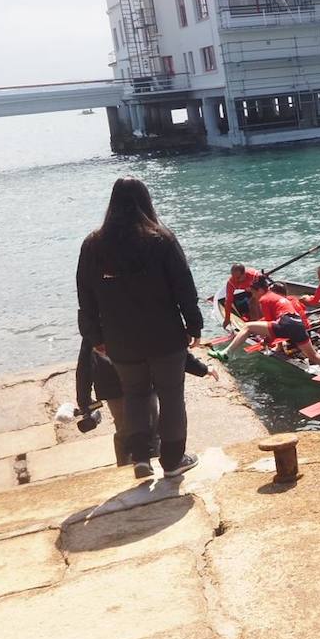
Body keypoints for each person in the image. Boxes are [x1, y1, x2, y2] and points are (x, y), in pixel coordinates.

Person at [76, 177, 203, 479]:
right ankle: (173, 461)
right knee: (171, 396)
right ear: (146, 202)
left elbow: (85, 294)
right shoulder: (161, 239)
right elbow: (184, 286)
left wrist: (94, 336)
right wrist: (193, 324)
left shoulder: (93, 245)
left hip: (120, 339)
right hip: (165, 335)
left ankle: (141, 458)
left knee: (134, 395)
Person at [76, 337, 217, 467]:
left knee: (124, 430)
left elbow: (84, 362)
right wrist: (200, 368)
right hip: (141, 375)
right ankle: (151, 466)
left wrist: (84, 400)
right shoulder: (142, 311)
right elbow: (168, 341)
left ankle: (129, 468)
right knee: (151, 428)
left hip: (110, 382)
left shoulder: (97, 315)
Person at [215, 276, 320, 366]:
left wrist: (266, 341)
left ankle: (226, 353)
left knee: (247, 327)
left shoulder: (264, 299)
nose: (254, 296)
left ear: (260, 290)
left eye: (254, 293)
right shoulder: (275, 296)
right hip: (298, 324)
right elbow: (273, 326)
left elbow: (270, 325)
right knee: (312, 355)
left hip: (286, 322)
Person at [221, 263, 261, 327]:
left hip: (258, 290)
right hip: (248, 292)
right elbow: (228, 301)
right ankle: (254, 323)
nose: (236, 280)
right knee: (248, 304)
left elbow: (264, 292)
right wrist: (227, 319)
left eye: (238, 277)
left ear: (244, 274)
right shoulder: (231, 282)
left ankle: (260, 322)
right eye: (233, 277)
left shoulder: (254, 276)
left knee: (255, 303)